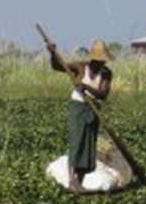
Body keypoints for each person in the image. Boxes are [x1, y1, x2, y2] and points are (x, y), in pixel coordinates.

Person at [47, 39, 113, 194]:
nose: (101, 63)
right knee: (77, 143)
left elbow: (103, 94)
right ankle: (72, 181)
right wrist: (52, 53)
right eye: (98, 60)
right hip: (78, 108)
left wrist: (86, 87)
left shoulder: (106, 73)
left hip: (93, 109)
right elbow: (57, 66)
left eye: (103, 61)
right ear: (93, 59)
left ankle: (79, 182)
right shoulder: (80, 66)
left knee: (88, 147)